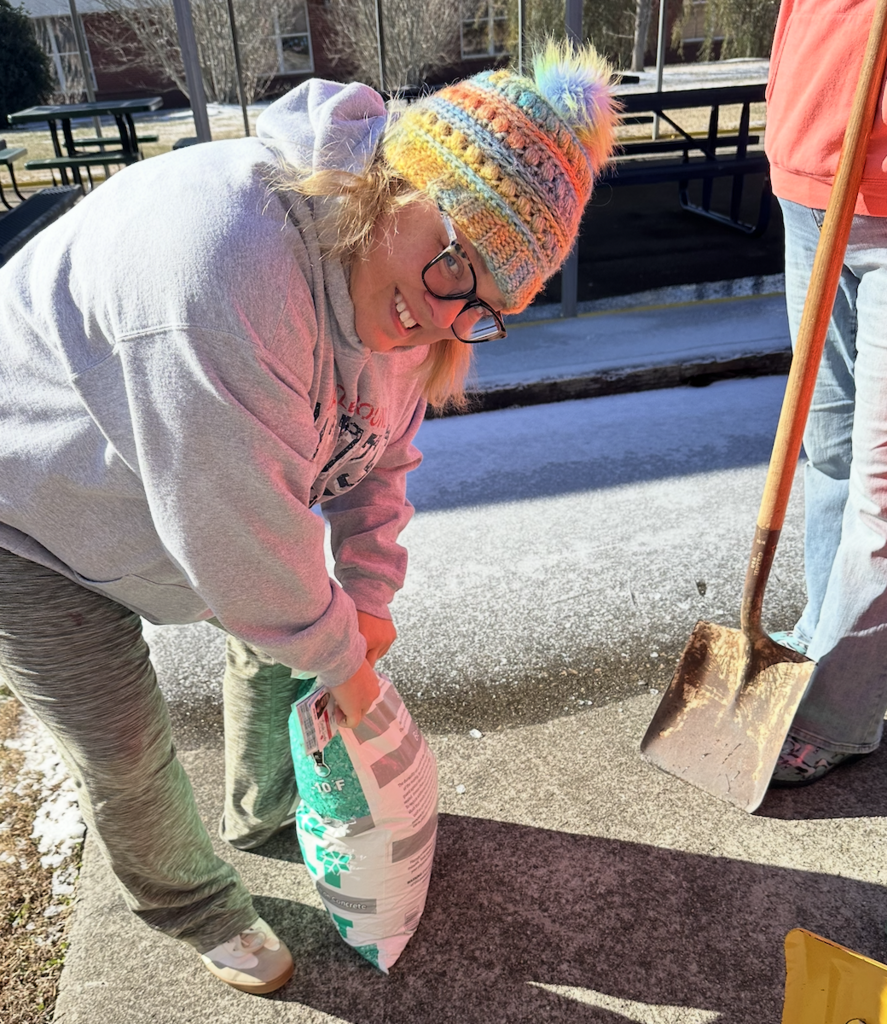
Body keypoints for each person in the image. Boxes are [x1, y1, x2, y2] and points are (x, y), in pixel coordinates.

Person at [0, 42, 617, 991]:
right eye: (454, 269)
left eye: (485, 310)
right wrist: (348, 668)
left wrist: (366, 595)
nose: (445, 319)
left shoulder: (412, 291)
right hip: (31, 508)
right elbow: (241, 544)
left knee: (298, 625)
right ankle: (193, 906)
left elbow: (378, 455)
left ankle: (268, 805)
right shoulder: (223, 265)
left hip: (193, 488)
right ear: (395, 179)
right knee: (120, 743)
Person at [764, 0, 887, 786]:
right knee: (828, 446)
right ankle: (821, 637)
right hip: (808, 164)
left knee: (880, 487)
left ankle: (840, 711)